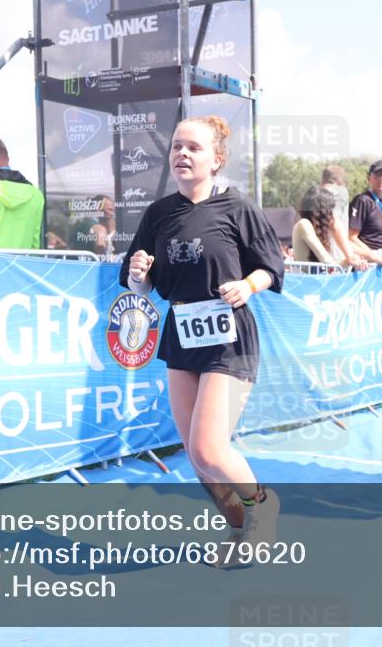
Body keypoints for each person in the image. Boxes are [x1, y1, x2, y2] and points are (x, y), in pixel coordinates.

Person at [119, 115, 285, 567]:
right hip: (181, 334)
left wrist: (248, 285)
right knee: (196, 456)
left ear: (216, 158)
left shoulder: (237, 207)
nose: (182, 154)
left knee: (211, 447)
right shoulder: (158, 214)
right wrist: (138, 275)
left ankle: (261, 509)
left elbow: (272, 268)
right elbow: (142, 287)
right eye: (176, 146)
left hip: (229, 335)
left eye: (193, 147)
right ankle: (238, 529)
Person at [347, 160, 382, 267]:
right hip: (369, 263)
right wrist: (374, 256)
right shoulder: (363, 200)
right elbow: (351, 237)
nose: (381, 179)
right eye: (377, 175)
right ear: (369, 178)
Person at [320, 165, 366, 269]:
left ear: (323, 179)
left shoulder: (315, 194)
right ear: (341, 180)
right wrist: (350, 256)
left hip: (324, 258)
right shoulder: (338, 193)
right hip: (335, 259)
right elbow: (334, 223)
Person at [292, 185, 343, 265]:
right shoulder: (304, 224)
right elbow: (327, 262)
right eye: (329, 210)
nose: (331, 214)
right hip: (306, 277)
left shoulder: (307, 225)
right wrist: (348, 261)